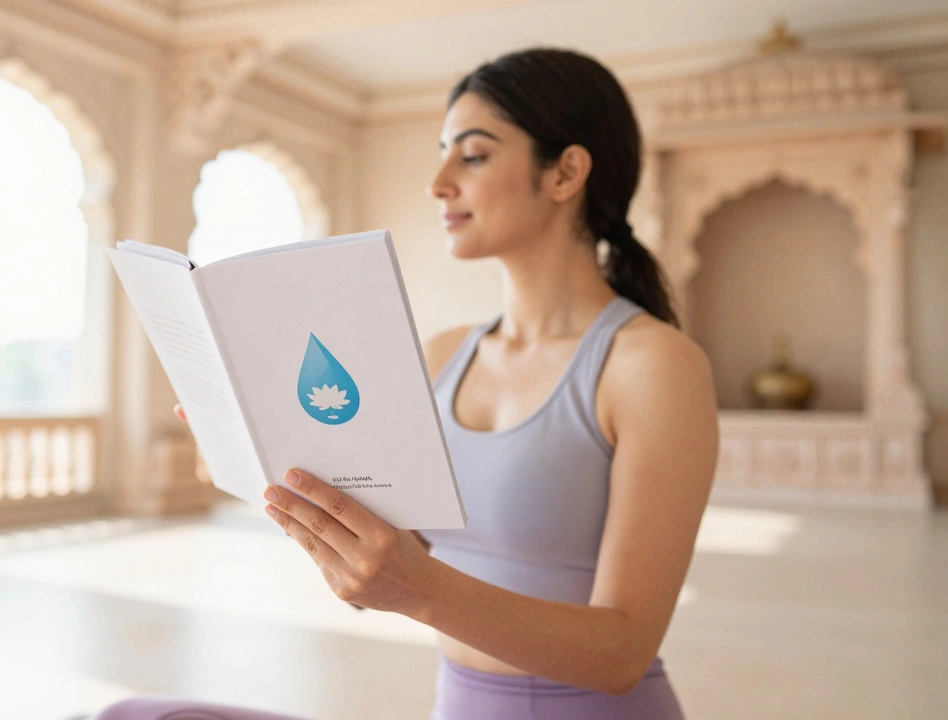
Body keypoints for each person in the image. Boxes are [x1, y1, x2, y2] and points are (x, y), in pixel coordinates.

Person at [96, 47, 719, 720]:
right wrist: (274, 461)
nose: (439, 183)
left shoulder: (653, 365)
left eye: (472, 156)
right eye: (442, 154)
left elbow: (622, 653)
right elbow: (390, 570)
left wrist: (420, 589)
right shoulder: (445, 355)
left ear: (565, 172)